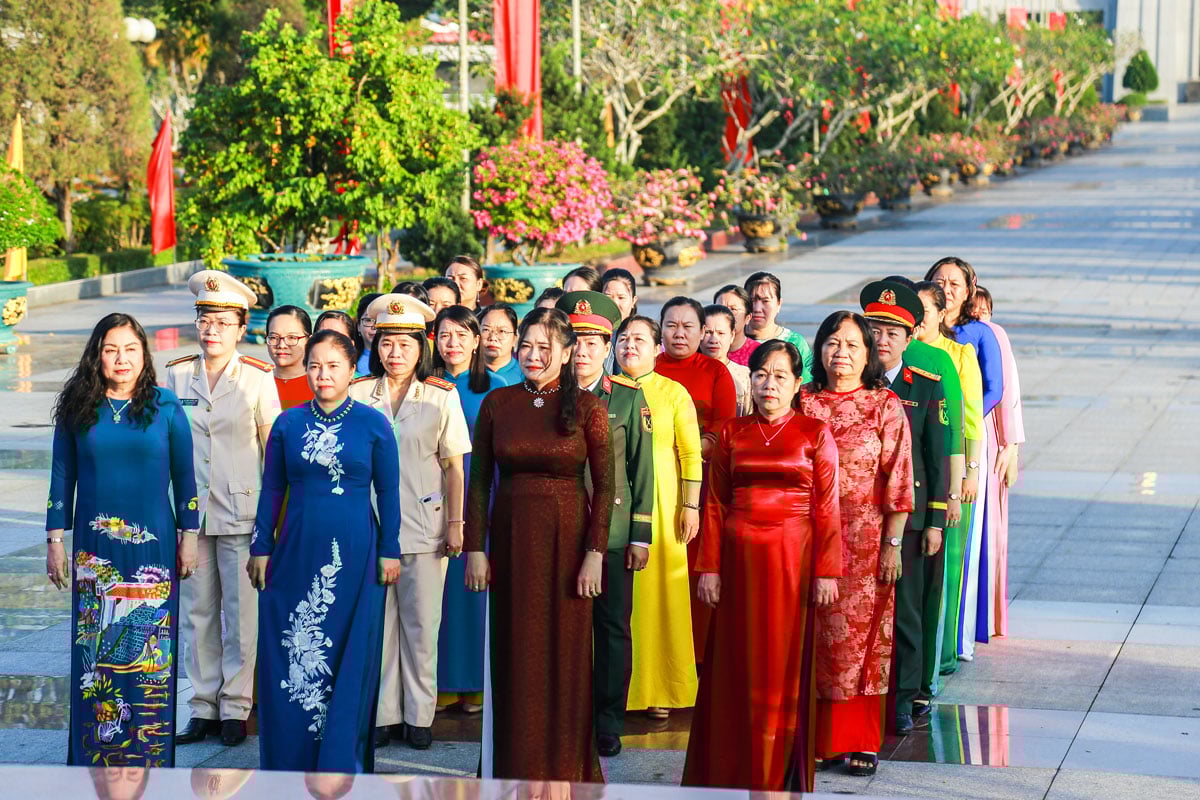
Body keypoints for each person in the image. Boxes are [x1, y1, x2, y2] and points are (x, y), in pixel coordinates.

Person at [683, 340, 841, 792]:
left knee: (781, 661)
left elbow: (828, 507)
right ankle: (731, 764)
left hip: (794, 561)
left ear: (797, 384)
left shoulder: (814, 432)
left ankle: (777, 763)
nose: (769, 384)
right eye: (760, 375)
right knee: (735, 660)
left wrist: (827, 571)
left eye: (780, 375)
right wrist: (709, 567)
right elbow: (715, 503)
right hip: (738, 562)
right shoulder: (733, 432)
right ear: (749, 380)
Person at [463, 308, 614, 781]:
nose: (532, 355)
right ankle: (508, 766)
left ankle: (565, 767)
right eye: (526, 345)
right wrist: (475, 547)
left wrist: (594, 554)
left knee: (566, 654)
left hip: (568, 544)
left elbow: (606, 487)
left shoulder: (588, 408)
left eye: (545, 347)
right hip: (510, 542)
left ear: (567, 353)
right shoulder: (498, 403)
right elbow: (479, 480)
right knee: (514, 650)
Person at [47, 313, 200, 767]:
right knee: (93, 647)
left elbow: (185, 477)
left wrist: (189, 535)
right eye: (111, 349)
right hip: (95, 552)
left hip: (153, 547)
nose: (121, 358)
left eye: (130, 349)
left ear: (144, 354)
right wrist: (55, 539)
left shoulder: (165, 406)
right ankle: (94, 753)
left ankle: (150, 753)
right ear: (97, 355)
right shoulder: (78, 406)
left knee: (153, 649)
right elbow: (62, 476)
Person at [248, 329, 402, 773]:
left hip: (356, 553)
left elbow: (389, 492)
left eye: (333, 366)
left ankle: (341, 758)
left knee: (349, 651)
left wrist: (390, 549)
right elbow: (272, 488)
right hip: (296, 551)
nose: (323, 374)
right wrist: (261, 545)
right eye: (314, 365)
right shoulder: (288, 423)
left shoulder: (373, 423)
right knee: (291, 644)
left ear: (353, 370)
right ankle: (291, 758)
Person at [165, 270, 281, 747]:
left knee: (241, 615)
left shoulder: (257, 377)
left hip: (242, 513)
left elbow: (273, 452)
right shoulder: (176, 373)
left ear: (241, 327)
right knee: (197, 614)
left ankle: (235, 706)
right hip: (192, 516)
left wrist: (271, 523)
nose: (211, 330)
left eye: (222, 322)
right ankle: (202, 706)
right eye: (204, 320)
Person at [350, 294, 471, 751]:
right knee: (379, 626)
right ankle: (384, 715)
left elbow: (455, 466)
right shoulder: (359, 393)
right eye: (386, 343)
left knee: (422, 626)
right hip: (372, 526)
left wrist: (456, 523)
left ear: (422, 347)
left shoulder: (441, 395)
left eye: (405, 344)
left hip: (425, 525)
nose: (395, 353)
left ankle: (419, 716)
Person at [800, 311, 912, 777]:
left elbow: (900, 479)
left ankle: (860, 740)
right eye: (832, 342)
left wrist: (893, 544)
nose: (840, 353)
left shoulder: (884, 405)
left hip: (865, 543)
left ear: (868, 354)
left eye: (851, 345)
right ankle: (815, 738)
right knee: (813, 636)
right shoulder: (802, 401)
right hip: (805, 539)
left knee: (863, 643)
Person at [555, 291, 655, 758]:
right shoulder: (545, 395)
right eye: (575, 341)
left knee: (612, 629)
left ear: (608, 346)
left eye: (593, 342)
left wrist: (640, 534)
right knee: (563, 627)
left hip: (612, 531)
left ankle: (608, 721)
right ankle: (566, 715)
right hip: (559, 527)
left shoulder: (627, 398)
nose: (583, 351)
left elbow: (641, 469)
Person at [859, 281, 951, 736]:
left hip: (911, 518)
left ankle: (904, 697)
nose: (882, 340)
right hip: (861, 516)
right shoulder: (853, 384)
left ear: (909, 337)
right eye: (875, 330)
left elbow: (937, 457)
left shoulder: (925, 387)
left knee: (907, 612)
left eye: (893, 333)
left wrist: (934, 520)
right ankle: (863, 696)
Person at [616, 316, 702, 720]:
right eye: (623, 338)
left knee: (662, 600)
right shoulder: (606, 390)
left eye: (639, 339)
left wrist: (690, 505)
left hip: (663, 509)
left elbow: (690, 453)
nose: (630, 346)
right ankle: (619, 688)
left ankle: (662, 689)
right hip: (617, 506)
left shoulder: (673, 393)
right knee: (620, 602)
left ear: (656, 349)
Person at [925, 256, 1003, 655]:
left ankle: (955, 638)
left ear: (968, 290)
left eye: (954, 283)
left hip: (968, 439)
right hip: (927, 446)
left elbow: (995, 390)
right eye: (939, 281)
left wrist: (954, 423)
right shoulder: (917, 336)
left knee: (958, 546)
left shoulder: (977, 335)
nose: (947, 288)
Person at [654, 296, 737, 665]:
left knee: (693, 569)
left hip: (700, 484)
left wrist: (683, 450)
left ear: (703, 331)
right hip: (654, 482)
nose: (679, 333)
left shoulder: (715, 372)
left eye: (688, 326)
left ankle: (697, 656)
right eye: (671, 325)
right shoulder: (649, 367)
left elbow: (723, 429)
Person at [913, 281, 984, 677]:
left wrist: (968, 475)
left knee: (947, 566)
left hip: (952, 472)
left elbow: (968, 419)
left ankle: (944, 653)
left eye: (925, 310)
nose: (918, 318)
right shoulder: (899, 354)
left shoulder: (957, 355)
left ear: (941, 314)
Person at [431, 306, 498, 715]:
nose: (452, 343)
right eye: (444, 335)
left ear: (477, 340)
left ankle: (474, 684)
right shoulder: (425, 385)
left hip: (480, 495)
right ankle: (438, 683)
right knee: (437, 597)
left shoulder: (497, 388)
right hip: (431, 499)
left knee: (473, 593)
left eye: (461, 335)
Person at [972, 286, 1025, 639]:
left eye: (985, 309)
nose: (979, 315)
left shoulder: (993, 334)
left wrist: (1011, 444)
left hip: (987, 432)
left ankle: (987, 613)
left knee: (989, 528)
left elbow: (1008, 391)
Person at [743, 272, 813, 381]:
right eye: (752, 301)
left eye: (765, 301)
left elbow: (807, 384)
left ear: (779, 304)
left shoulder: (795, 342)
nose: (757, 308)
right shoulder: (731, 340)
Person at [700, 304, 753, 416]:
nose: (714, 340)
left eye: (721, 333)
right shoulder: (688, 371)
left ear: (732, 335)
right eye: (708, 332)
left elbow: (749, 416)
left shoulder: (745, 376)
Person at [267, 306, 314, 408]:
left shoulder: (321, 384)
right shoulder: (257, 383)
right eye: (274, 337)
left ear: (309, 341)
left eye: (292, 337)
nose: (281, 345)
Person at [713, 285, 759, 367]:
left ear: (748, 317)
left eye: (733, 309)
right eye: (720, 309)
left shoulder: (759, 353)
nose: (726, 314)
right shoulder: (702, 349)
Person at [478, 304, 522, 387]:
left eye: (502, 331)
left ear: (514, 339)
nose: (493, 338)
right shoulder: (464, 372)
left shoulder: (525, 376)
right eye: (486, 330)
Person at [355, 294, 382, 376]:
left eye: (379, 320)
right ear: (358, 326)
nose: (374, 327)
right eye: (369, 320)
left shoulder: (397, 360)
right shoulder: (346, 359)